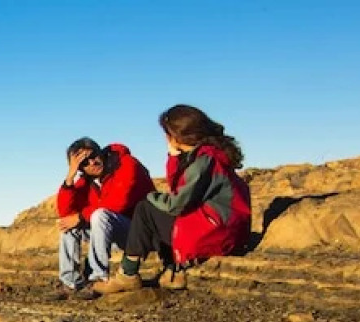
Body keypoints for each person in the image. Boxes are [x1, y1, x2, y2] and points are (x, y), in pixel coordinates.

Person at [92, 105, 252, 295]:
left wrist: (150, 197)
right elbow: (178, 189)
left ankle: (128, 274)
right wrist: (174, 156)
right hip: (224, 226)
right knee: (157, 213)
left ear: (177, 135)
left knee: (145, 209)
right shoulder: (208, 154)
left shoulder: (204, 160)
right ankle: (172, 269)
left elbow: (177, 203)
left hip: (218, 231)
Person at [55, 137, 156, 296]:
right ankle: (70, 282)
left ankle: (98, 280)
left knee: (99, 215)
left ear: (100, 152)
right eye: (84, 162)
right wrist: (69, 178)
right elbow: (66, 213)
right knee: (68, 226)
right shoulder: (87, 180)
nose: (92, 163)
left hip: (142, 233)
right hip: (114, 232)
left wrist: (81, 217)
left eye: (93, 155)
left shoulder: (127, 164)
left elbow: (118, 202)